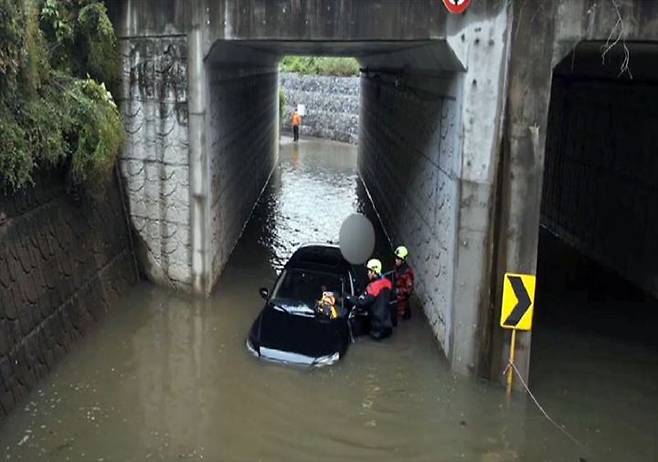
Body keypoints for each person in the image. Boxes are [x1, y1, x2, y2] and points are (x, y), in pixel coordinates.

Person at [351, 259, 393, 340]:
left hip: (377, 328)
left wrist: (347, 297)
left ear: (374, 272)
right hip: (388, 326)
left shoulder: (373, 287)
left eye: (369, 271)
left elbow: (362, 302)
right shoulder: (387, 283)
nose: (368, 273)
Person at [393, 246, 415, 320]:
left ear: (403, 260)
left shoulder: (407, 272)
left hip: (403, 308)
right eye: (395, 258)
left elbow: (409, 290)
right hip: (396, 303)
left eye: (398, 259)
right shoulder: (396, 268)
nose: (396, 260)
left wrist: (398, 291)